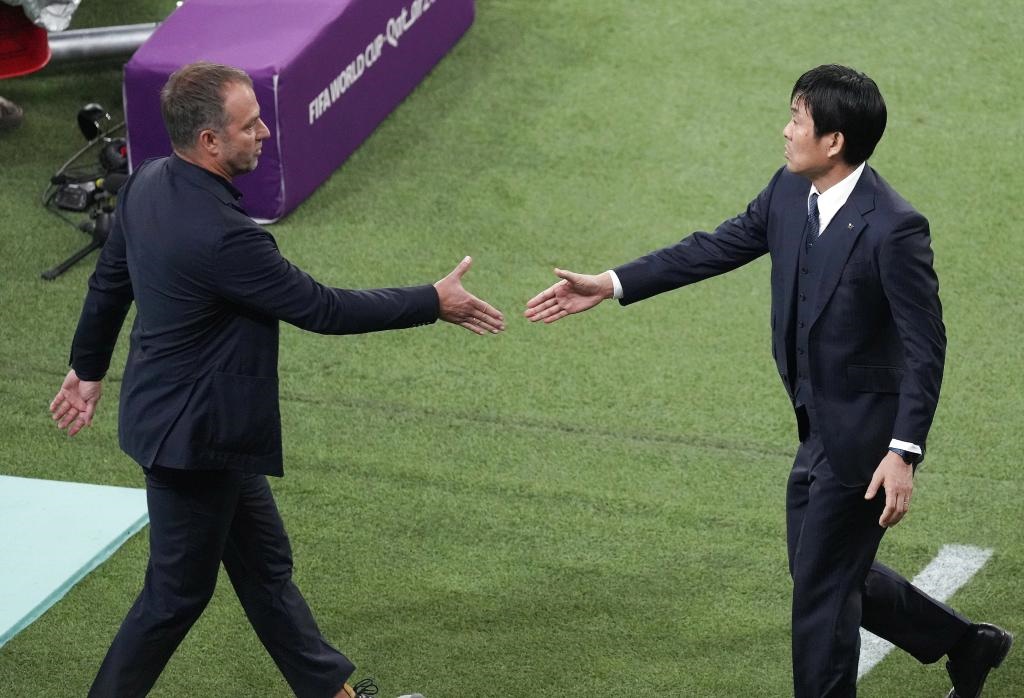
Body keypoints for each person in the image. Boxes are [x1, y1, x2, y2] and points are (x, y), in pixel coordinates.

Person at [524, 64, 1012, 698]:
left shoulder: (894, 227)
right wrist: (612, 283)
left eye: (797, 119)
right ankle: (967, 645)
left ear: (833, 141)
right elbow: (714, 246)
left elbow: (926, 347)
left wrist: (903, 452)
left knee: (821, 596)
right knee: (823, 571)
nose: (785, 130)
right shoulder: (789, 191)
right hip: (816, 424)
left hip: (865, 439)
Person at [50, 61, 504, 698]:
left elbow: (109, 284)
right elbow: (324, 309)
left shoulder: (146, 182)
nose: (264, 132)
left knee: (266, 572)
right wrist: (433, 300)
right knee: (173, 599)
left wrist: (88, 368)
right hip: (195, 443)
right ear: (209, 140)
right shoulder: (228, 239)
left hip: (196, 428)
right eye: (250, 125)